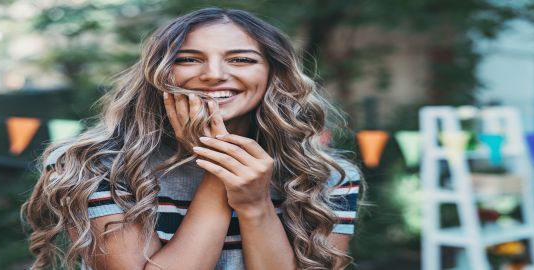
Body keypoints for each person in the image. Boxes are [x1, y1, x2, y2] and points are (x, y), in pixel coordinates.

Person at [22, 7, 362, 270]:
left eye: (241, 59)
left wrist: (254, 203)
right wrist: (217, 169)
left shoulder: (329, 179)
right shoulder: (96, 165)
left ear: (274, 73)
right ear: (160, 72)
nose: (213, 75)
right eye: (188, 59)